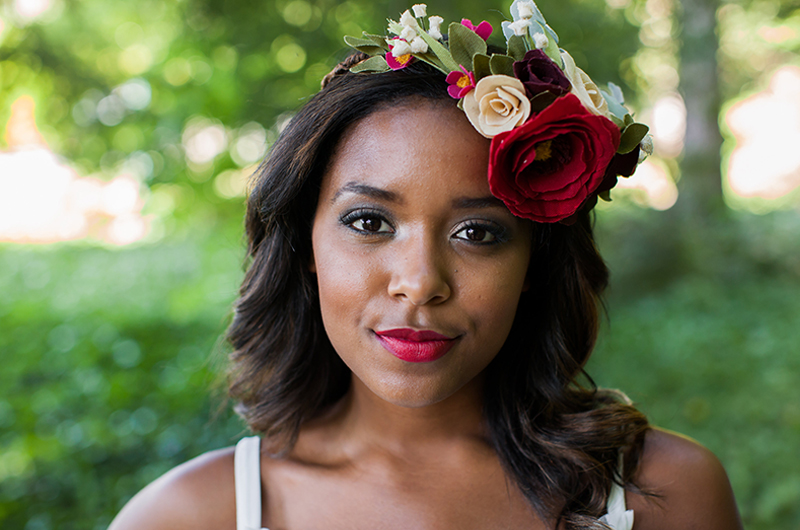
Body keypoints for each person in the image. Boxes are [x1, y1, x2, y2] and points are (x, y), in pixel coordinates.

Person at [110, 2, 743, 529]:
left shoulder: (666, 495)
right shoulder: (192, 515)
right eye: (369, 222)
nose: (419, 282)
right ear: (305, 244)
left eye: (478, 232)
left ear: (533, 264)